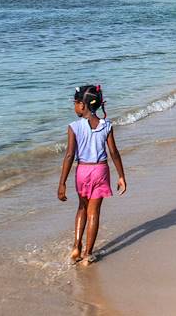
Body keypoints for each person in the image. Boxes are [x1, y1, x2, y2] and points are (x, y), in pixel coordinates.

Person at [57, 85, 127, 265]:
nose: (74, 107)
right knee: (94, 212)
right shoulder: (107, 125)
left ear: (82, 105)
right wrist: (121, 176)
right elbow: (114, 152)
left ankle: (76, 247)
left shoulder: (74, 127)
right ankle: (88, 254)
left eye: (75, 103)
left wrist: (62, 183)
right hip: (101, 170)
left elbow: (69, 155)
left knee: (82, 207)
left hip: (83, 171)